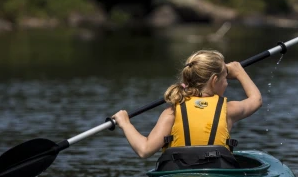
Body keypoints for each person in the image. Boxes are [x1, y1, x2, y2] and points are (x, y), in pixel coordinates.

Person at [112, 49, 262, 170]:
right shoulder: (229, 110)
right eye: (225, 79)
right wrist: (240, 72)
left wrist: (125, 123)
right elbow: (256, 100)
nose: (227, 84)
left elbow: (144, 150)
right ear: (214, 80)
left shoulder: (172, 112)